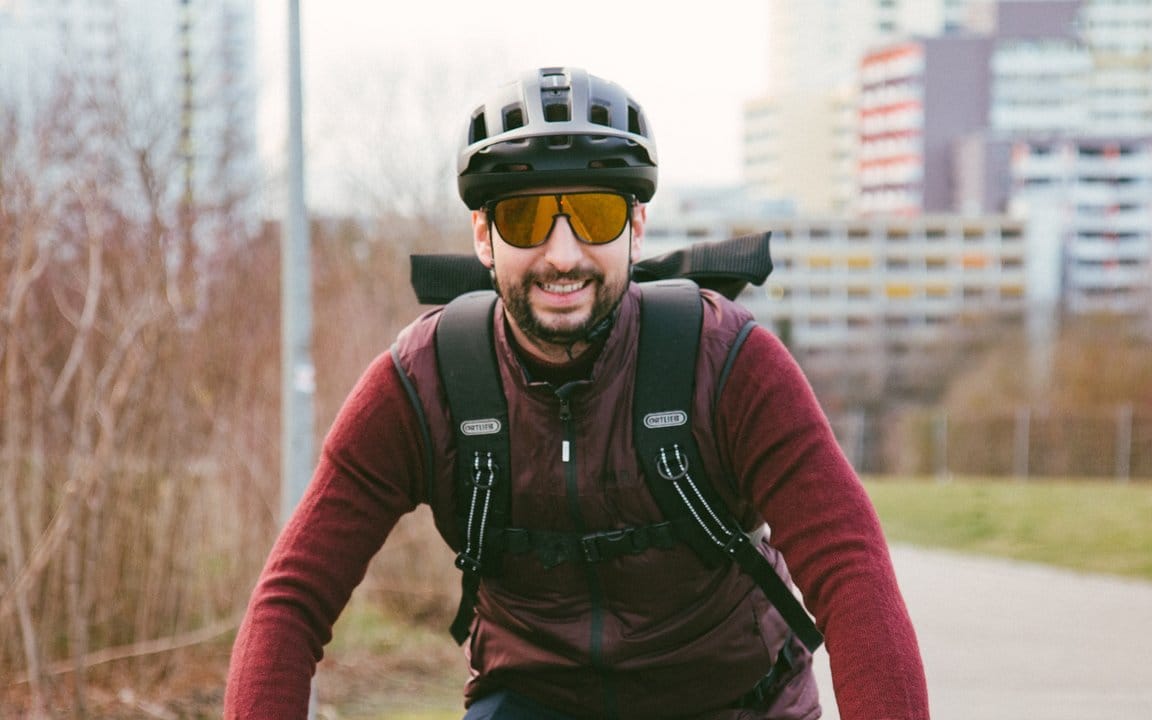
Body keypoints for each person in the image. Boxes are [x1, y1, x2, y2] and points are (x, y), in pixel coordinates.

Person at [225, 66, 928, 720]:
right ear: (482, 236)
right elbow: (292, 600)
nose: (563, 255)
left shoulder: (727, 362)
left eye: (593, 217)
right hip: (535, 696)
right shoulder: (424, 383)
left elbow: (851, 572)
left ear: (637, 227)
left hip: (733, 695)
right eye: (525, 221)